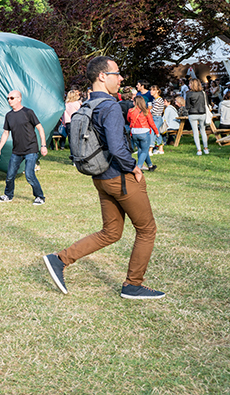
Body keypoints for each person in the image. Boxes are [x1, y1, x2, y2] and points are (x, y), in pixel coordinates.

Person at [43, 56, 164, 300]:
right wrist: (135, 167)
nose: (120, 78)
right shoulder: (109, 106)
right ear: (102, 76)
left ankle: (59, 259)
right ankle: (133, 285)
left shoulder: (88, 105)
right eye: (116, 73)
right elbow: (119, 149)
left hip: (100, 177)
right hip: (119, 178)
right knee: (147, 229)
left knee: (111, 232)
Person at [0, 90, 49, 205]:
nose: (9, 100)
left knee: (29, 175)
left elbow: (40, 128)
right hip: (16, 151)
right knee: (10, 176)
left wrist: (43, 145)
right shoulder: (9, 115)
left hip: (31, 149)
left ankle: (40, 197)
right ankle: (8, 195)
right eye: (8, 98)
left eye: (12, 98)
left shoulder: (28, 112)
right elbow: (5, 133)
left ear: (19, 99)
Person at [127, 96, 159, 171]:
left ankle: (150, 166)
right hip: (144, 132)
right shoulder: (146, 111)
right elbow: (151, 122)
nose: (132, 103)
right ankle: (138, 167)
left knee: (141, 149)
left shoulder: (131, 110)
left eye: (133, 101)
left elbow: (128, 119)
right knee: (145, 150)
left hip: (134, 132)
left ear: (136, 102)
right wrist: (156, 132)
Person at [185, 78, 210, 155]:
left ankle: (199, 150)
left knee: (195, 132)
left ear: (192, 85)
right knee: (203, 131)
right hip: (202, 113)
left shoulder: (189, 94)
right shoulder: (203, 93)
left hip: (192, 114)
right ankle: (205, 148)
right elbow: (207, 104)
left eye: (190, 84)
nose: (188, 85)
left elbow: (187, 106)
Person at [149, 85, 166, 154]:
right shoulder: (155, 99)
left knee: (152, 132)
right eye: (151, 90)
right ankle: (160, 148)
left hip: (157, 118)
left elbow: (154, 110)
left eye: (153, 90)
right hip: (155, 117)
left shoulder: (159, 99)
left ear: (157, 91)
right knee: (157, 133)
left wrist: (147, 111)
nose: (151, 91)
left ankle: (150, 149)